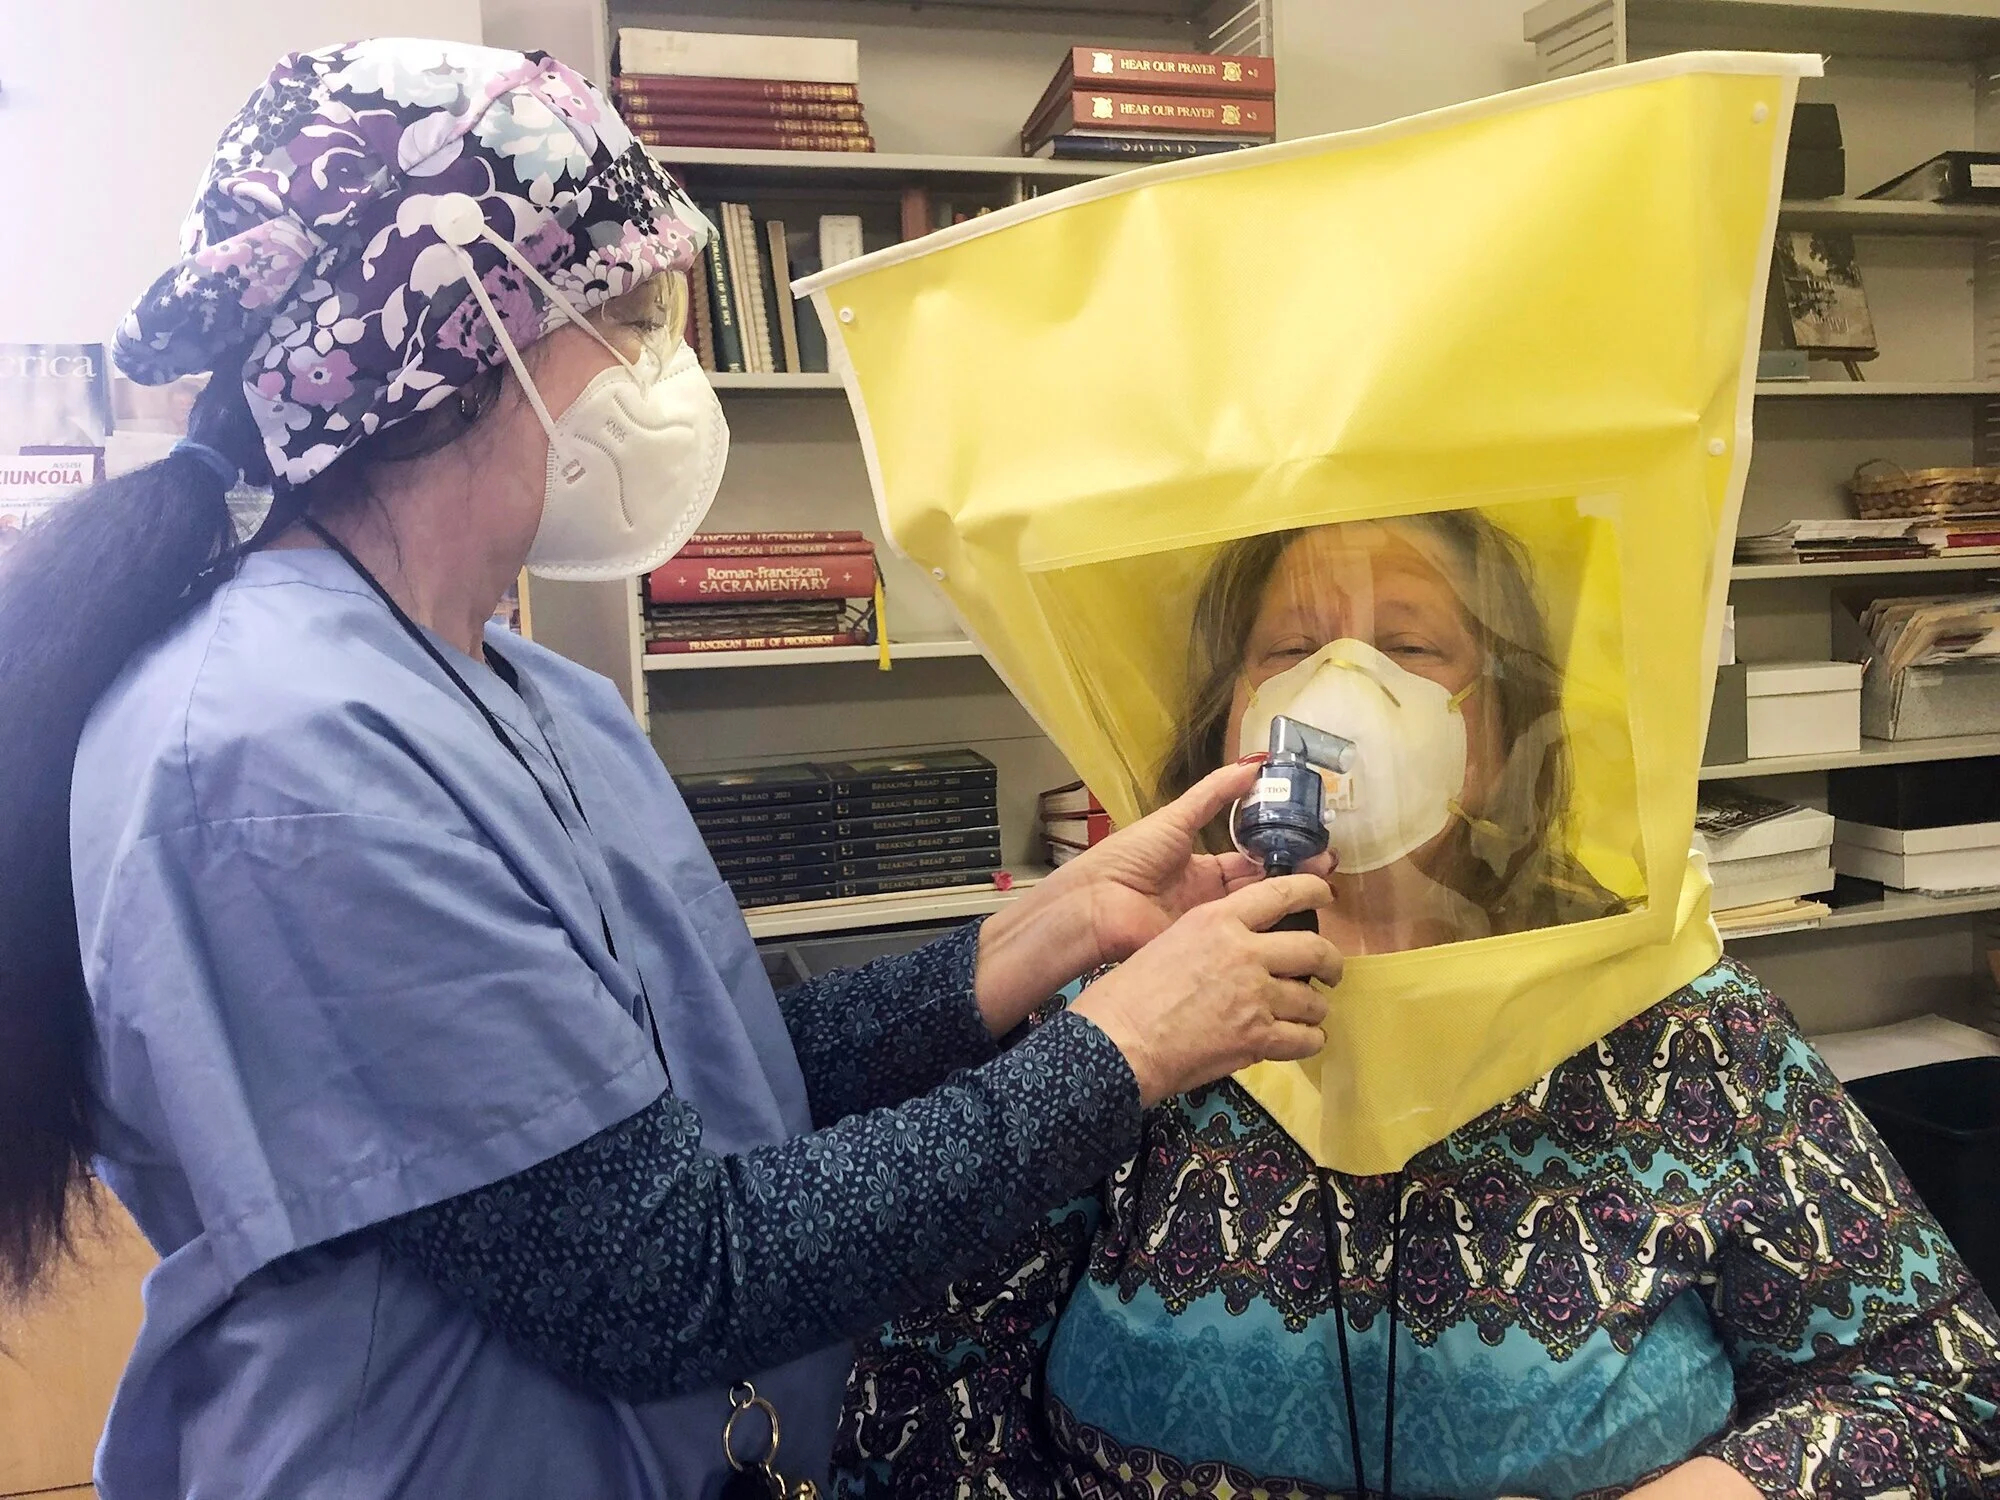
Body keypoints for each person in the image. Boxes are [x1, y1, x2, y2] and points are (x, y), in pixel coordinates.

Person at [0, 41, 1345, 1500]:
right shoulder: (282, 759)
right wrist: (1125, 1048)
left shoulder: (535, 695)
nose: (666, 373)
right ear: (470, 340)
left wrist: (1045, 935)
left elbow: (714, 1092)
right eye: (634, 320)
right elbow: (659, 1273)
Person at [835, 512, 2000, 1499]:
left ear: (1495, 734)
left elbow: (1938, 1379)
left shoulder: (1672, 1018)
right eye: (1288, 647)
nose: (1341, 690)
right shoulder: (1125, 1016)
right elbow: (927, 1385)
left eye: (1408, 648)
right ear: (1230, 719)